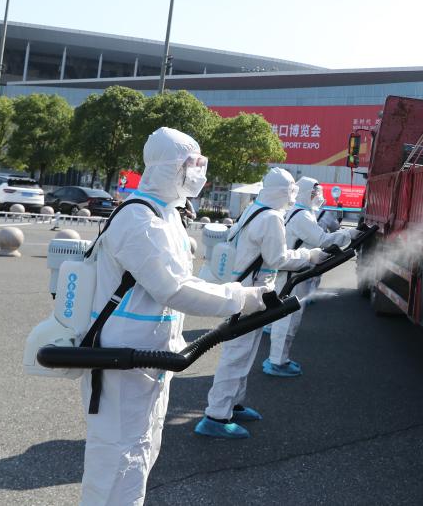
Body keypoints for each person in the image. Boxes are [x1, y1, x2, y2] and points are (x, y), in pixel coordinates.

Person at [80, 127, 270, 505]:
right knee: (116, 457)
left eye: (201, 163)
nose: (198, 172)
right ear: (169, 166)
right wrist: (240, 298)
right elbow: (173, 288)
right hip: (122, 358)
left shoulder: (166, 214)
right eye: (191, 164)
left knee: (142, 449)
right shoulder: (139, 218)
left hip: (150, 357)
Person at [197, 168, 326, 438]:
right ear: (284, 192)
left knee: (244, 352)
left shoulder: (254, 209)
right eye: (291, 191)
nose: (293, 196)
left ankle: (233, 404)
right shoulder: (271, 218)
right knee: (237, 355)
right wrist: (310, 255)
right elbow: (278, 259)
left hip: (247, 292)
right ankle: (216, 415)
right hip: (250, 295)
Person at [264, 178, 352, 377]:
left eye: (318, 192)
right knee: (287, 320)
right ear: (303, 193)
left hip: (295, 272)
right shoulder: (302, 215)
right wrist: (350, 234)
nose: (318, 196)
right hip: (292, 274)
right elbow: (322, 239)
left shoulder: (302, 212)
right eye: (314, 193)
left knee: (287, 318)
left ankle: (279, 359)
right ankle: (277, 362)